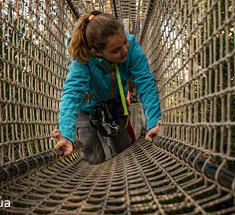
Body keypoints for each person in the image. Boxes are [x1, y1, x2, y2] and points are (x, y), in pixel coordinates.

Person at [52, 10, 162, 165]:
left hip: (115, 104)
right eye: (115, 50)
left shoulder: (132, 48)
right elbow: (72, 93)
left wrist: (154, 122)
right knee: (93, 156)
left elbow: (145, 83)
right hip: (87, 106)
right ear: (97, 52)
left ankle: (125, 180)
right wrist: (66, 135)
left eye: (124, 42)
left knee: (126, 151)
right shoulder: (84, 57)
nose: (124, 50)